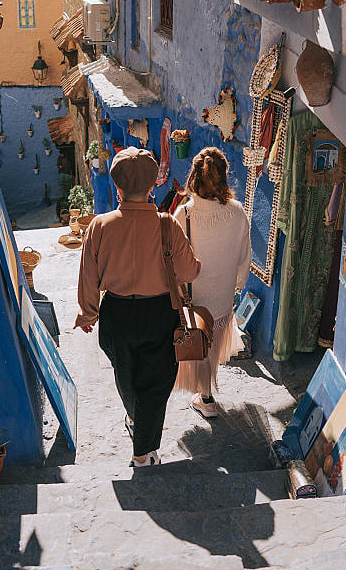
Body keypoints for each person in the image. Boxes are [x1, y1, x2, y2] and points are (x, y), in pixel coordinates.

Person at [75, 147, 201, 467]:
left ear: (118, 188)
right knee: (155, 384)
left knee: (127, 376)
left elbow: (88, 277)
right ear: (153, 186)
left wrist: (88, 313)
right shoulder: (167, 225)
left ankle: (138, 429)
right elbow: (189, 272)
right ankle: (143, 452)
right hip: (160, 313)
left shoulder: (99, 227)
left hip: (116, 314)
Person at [172, 147, 251, 418]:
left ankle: (205, 398)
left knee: (198, 342)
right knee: (212, 344)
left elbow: (171, 256)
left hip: (195, 296)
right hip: (222, 295)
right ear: (224, 177)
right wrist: (237, 282)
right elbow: (244, 257)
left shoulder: (184, 215)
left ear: (194, 177)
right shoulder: (238, 212)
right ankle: (205, 394)